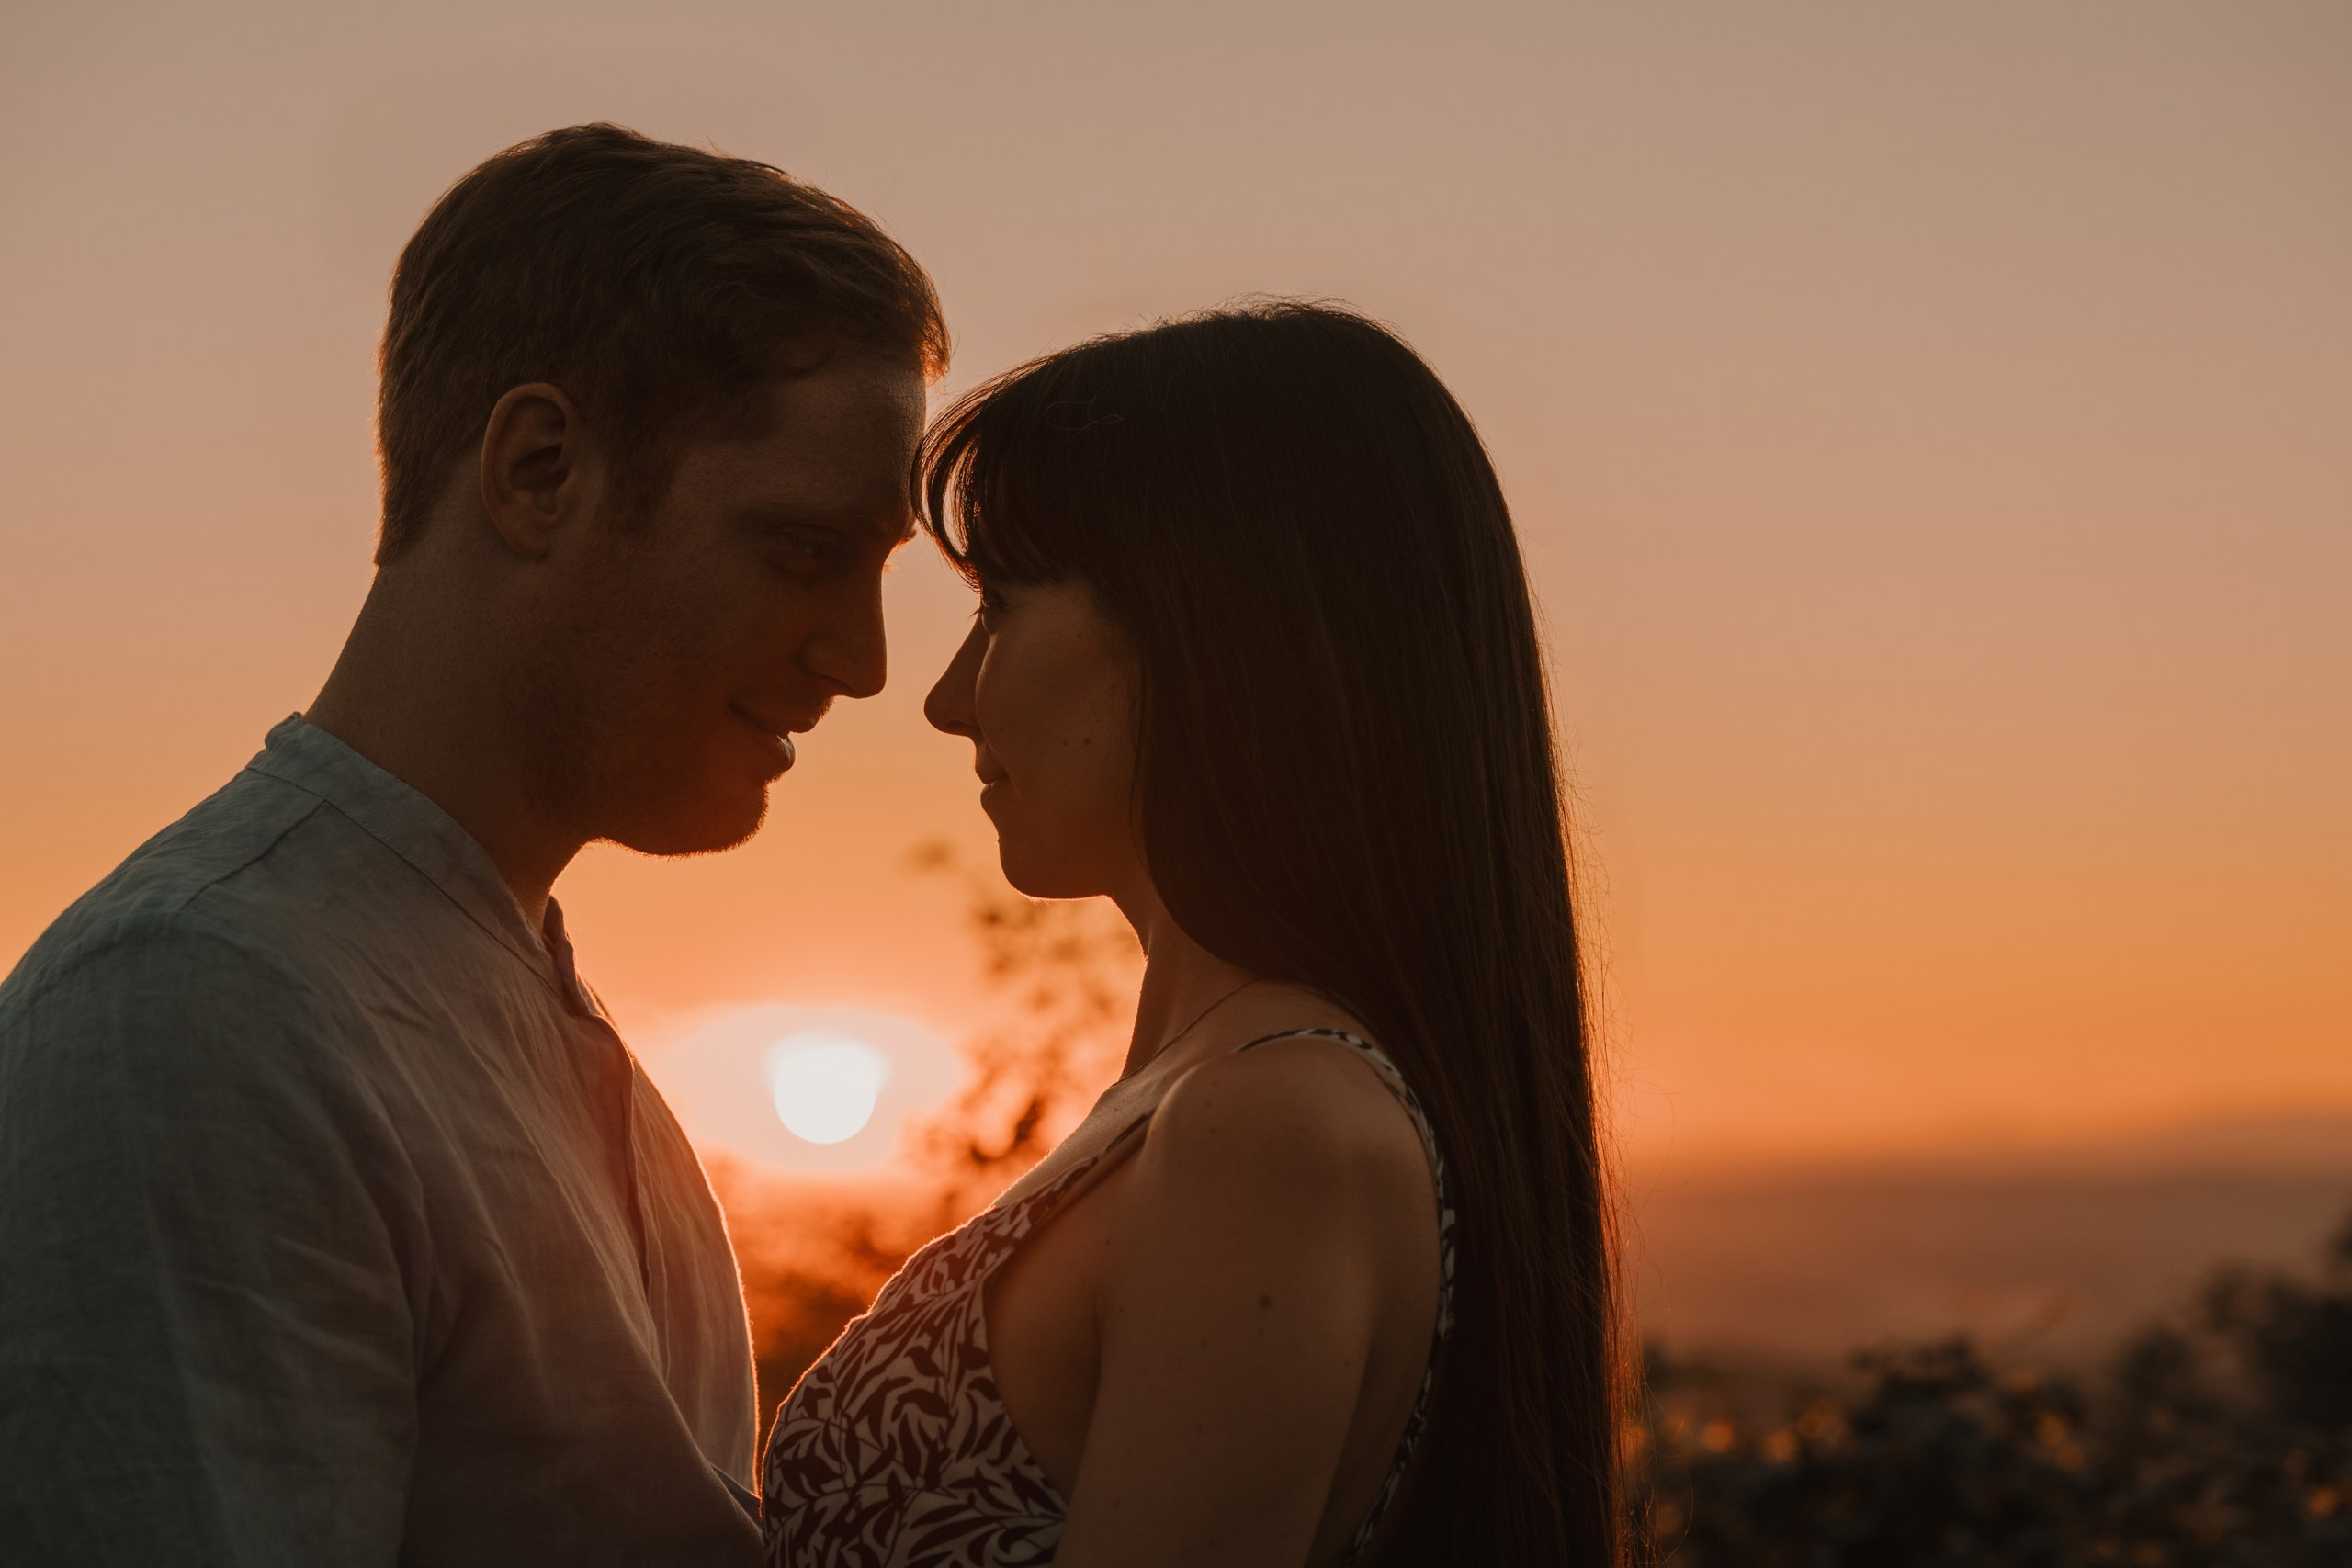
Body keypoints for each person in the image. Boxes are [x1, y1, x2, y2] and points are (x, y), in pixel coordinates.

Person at [0, 124, 944, 1565]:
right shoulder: (197, 1015)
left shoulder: (552, 1043)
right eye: (802, 552)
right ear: (539, 467)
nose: (864, 662)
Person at [762, 303, 1624, 1567]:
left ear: (1206, 628)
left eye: (999, 605)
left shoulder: (1266, 1125)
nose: (948, 701)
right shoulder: (1208, 1099)